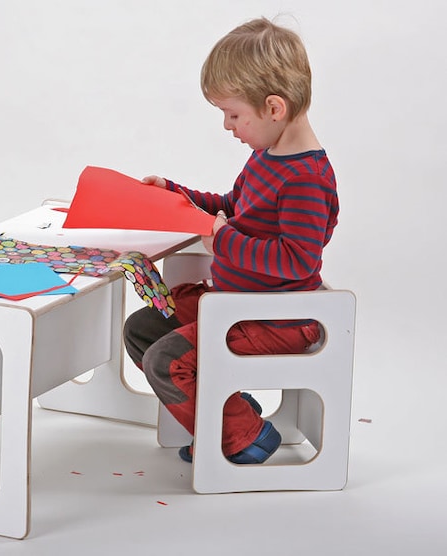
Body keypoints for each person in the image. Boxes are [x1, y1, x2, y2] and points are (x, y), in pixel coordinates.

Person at [123, 17, 338, 464]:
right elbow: (230, 205)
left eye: (233, 114)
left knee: (167, 361)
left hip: (276, 318)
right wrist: (175, 193)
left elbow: (296, 261)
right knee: (142, 329)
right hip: (236, 301)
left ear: (274, 108)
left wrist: (222, 241)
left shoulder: (304, 179)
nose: (227, 125)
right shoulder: (266, 157)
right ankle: (232, 409)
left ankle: (247, 437)